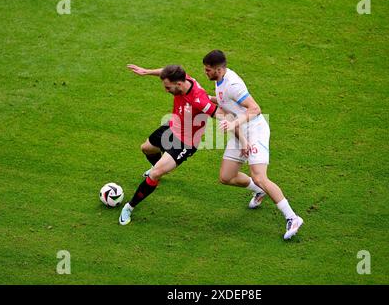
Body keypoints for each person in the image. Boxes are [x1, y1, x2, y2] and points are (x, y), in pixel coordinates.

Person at [202, 50, 304, 240]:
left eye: (208, 70)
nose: (205, 73)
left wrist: (233, 123)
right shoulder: (219, 80)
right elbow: (225, 101)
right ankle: (258, 191)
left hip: (254, 130)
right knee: (226, 177)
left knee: (260, 177)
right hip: (240, 131)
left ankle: (293, 217)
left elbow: (255, 108)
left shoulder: (233, 84)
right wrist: (207, 98)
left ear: (219, 69)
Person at [119, 64, 218, 225]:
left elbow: (217, 112)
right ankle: (159, 168)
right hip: (172, 127)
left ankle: (129, 207)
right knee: (146, 148)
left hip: (186, 143)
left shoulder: (198, 99)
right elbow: (165, 71)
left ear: (178, 84)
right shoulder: (183, 78)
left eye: (168, 87)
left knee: (154, 174)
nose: (166, 90)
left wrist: (239, 120)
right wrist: (147, 72)